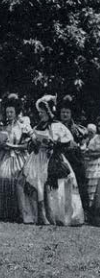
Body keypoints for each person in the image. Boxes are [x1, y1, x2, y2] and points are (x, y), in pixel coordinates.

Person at [21, 95, 84, 226]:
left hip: (53, 159)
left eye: (43, 113)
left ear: (49, 112)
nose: (40, 115)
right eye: (39, 113)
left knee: (52, 183)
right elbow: (32, 143)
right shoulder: (38, 126)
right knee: (34, 181)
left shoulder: (57, 126)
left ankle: (57, 215)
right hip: (38, 158)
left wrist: (55, 145)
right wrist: (33, 140)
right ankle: (39, 215)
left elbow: (70, 143)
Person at [0, 94, 31, 222]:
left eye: (11, 112)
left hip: (19, 157)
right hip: (4, 156)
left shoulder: (23, 127)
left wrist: (12, 146)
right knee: (0, 177)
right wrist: (1, 145)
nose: (9, 114)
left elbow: (27, 145)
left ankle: (18, 212)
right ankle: (4, 211)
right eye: (7, 112)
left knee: (16, 179)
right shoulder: (2, 127)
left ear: (16, 112)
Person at [58, 95, 89, 210]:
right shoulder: (57, 127)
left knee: (78, 182)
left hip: (74, 159)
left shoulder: (76, 129)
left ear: (71, 114)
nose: (65, 115)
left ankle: (82, 210)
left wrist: (79, 146)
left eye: (67, 112)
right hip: (61, 158)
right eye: (63, 112)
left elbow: (83, 143)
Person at [83, 127, 100, 225]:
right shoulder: (95, 138)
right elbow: (88, 151)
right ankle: (91, 214)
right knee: (92, 188)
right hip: (92, 164)